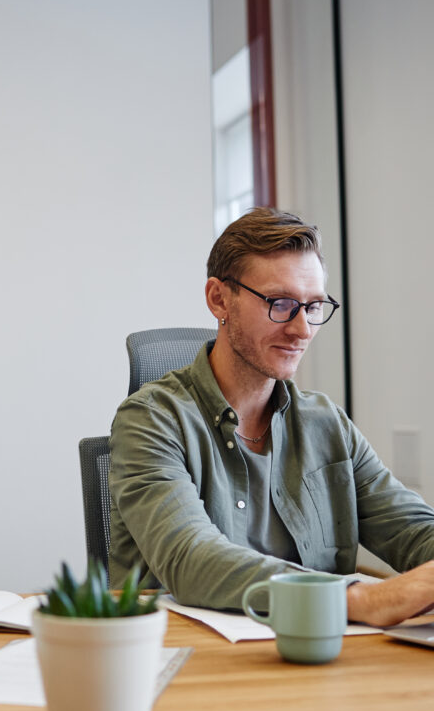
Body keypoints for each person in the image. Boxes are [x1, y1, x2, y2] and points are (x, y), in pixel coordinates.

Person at [109, 208, 434, 627]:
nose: (302, 329)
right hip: (194, 665)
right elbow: (190, 559)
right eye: (280, 304)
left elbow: (411, 531)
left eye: (314, 306)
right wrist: (360, 600)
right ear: (218, 299)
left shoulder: (325, 423)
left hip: (320, 654)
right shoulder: (150, 420)